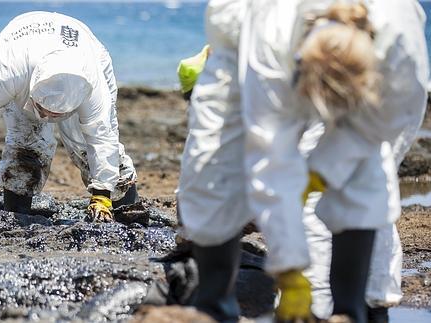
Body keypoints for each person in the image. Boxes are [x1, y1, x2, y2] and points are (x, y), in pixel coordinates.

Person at [177, 1, 428, 323]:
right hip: (246, 48)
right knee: (214, 164)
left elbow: (390, 120)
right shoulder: (271, 39)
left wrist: (324, 170)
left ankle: (359, 309)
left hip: (368, 83)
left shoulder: (399, 38)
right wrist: (290, 269)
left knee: (366, 170)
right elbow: (270, 154)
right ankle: (215, 308)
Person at [0, 11, 138, 221]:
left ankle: (126, 212)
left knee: (86, 145)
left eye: (57, 114)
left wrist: (102, 194)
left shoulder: (94, 87)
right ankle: (16, 216)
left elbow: (102, 139)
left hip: (87, 48)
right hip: (19, 41)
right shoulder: (7, 70)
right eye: (44, 111)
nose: (48, 118)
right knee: (26, 143)